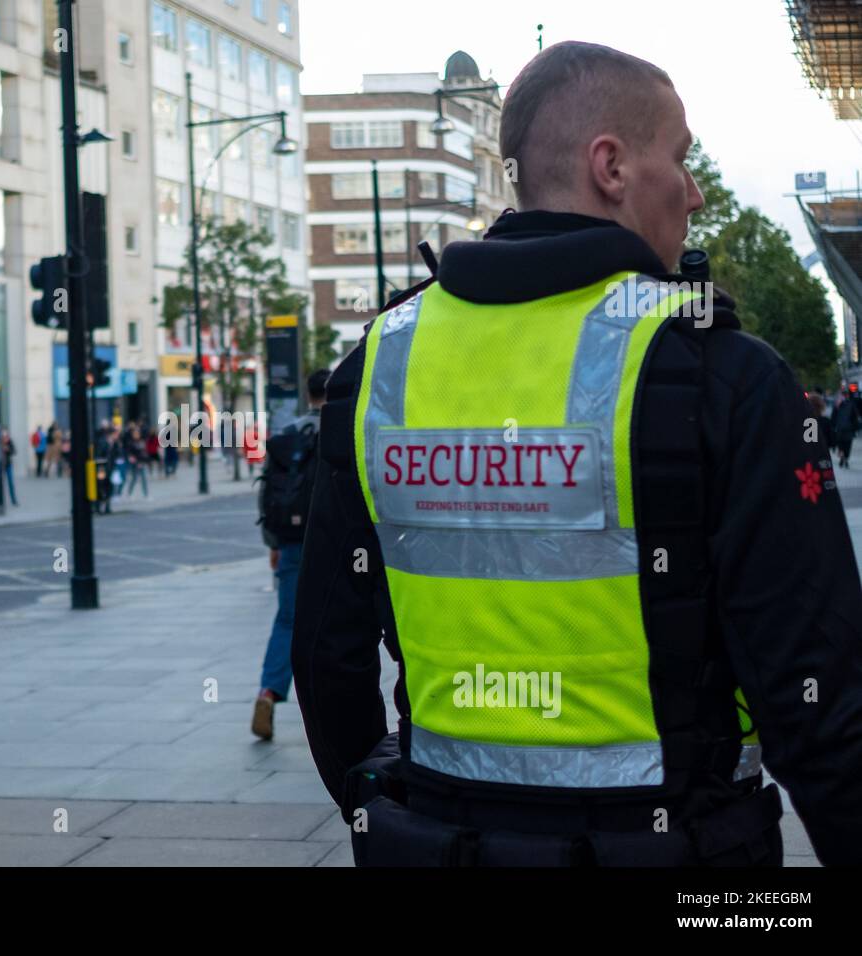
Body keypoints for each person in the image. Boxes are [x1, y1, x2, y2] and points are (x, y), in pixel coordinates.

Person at [293, 41, 862, 867]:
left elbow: (326, 657)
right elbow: (819, 700)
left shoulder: (379, 365)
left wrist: (388, 813)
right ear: (612, 166)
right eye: (682, 157)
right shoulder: (722, 373)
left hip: (438, 842)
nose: (696, 192)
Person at [252, 369, 329, 741]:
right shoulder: (338, 431)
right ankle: (325, 708)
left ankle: (268, 691)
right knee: (332, 623)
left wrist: (273, 544)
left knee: (287, 620)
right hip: (331, 543)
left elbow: (267, 492)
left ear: (308, 394)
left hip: (291, 543)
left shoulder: (286, 436)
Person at [832, 386, 859, 468]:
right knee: (847, 445)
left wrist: (833, 427)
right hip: (848, 429)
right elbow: (855, 418)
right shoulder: (851, 404)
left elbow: (833, 417)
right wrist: (855, 429)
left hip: (840, 429)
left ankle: (843, 457)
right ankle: (845, 458)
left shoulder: (837, 405)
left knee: (841, 445)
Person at [125, 424, 149, 497]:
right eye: (135, 434)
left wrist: (145, 460)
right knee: (134, 479)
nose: (136, 435)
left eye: (137, 433)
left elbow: (144, 452)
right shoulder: (131, 443)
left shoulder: (141, 441)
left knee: (144, 479)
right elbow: (129, 453)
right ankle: (129, 493)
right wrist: (131, 458)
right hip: (135, 464)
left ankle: (146, 494)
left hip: (142, 463)